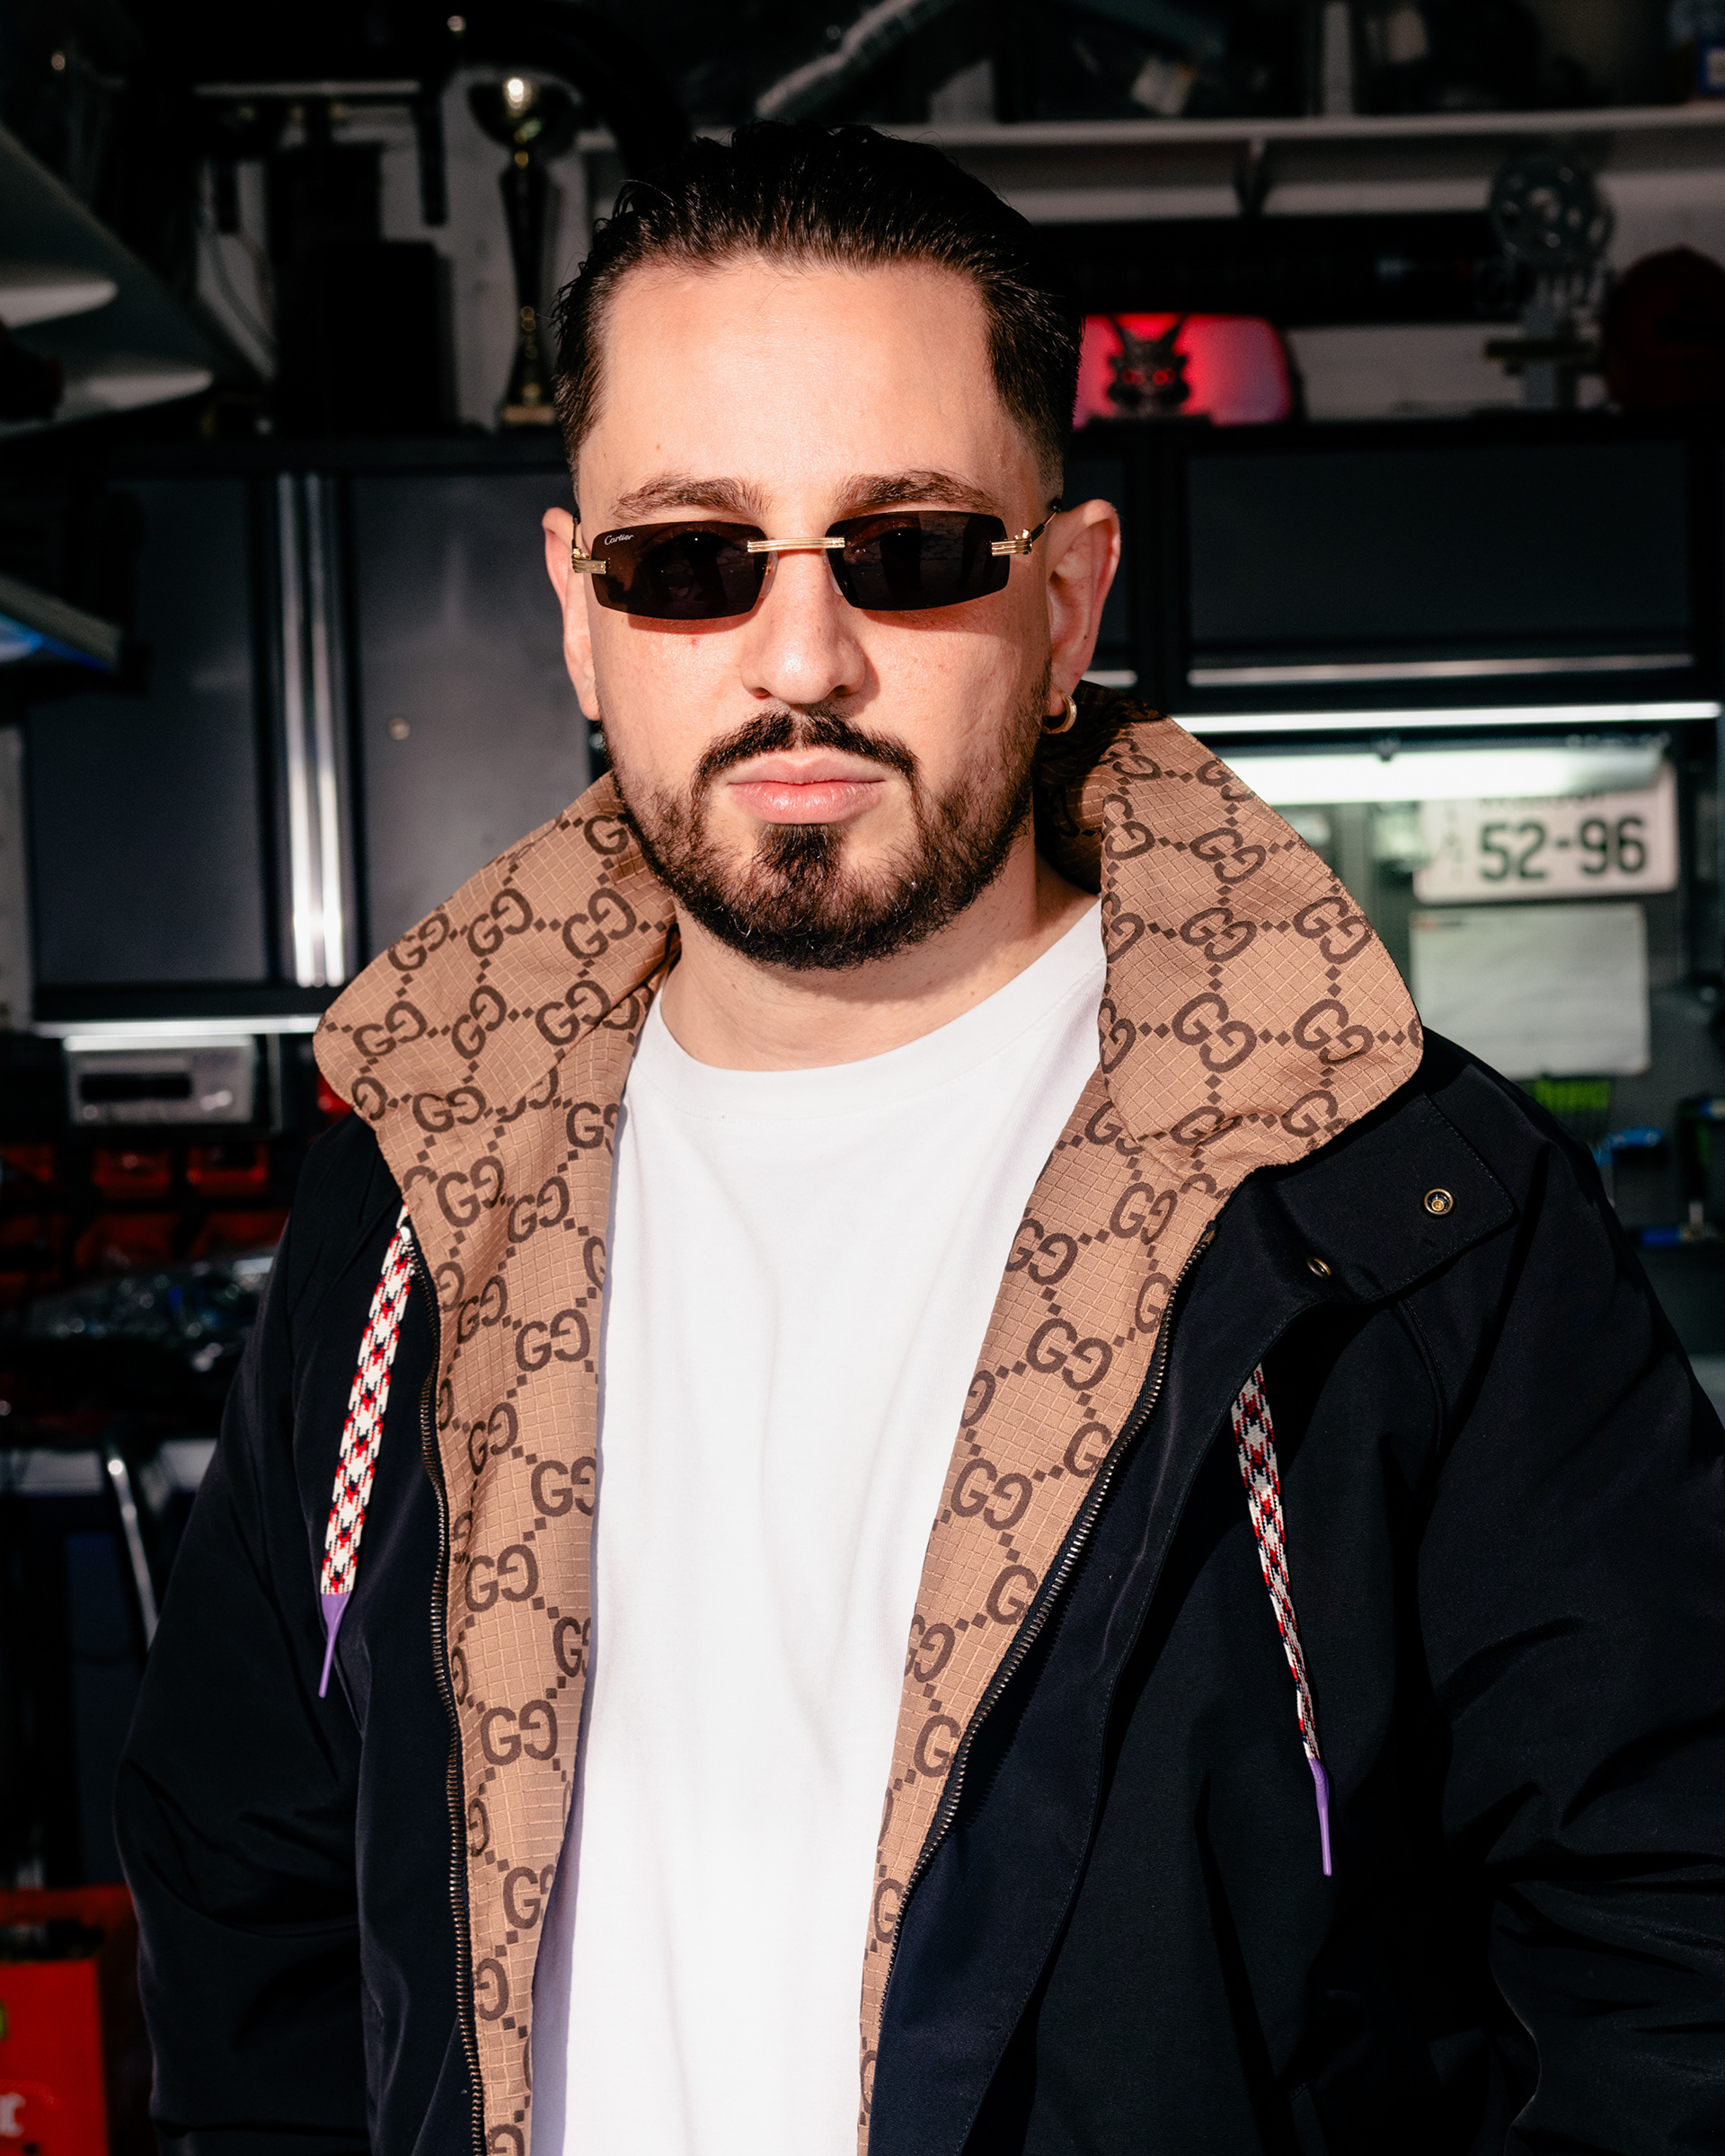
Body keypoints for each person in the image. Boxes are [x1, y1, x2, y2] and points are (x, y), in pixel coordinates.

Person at [117, 121, 1725, 2156]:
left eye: (912, 550)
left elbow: (1671, 1958)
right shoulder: (415, 1198)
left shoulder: (1396, 1208)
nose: (802, 661)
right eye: (690, 563)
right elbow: (249, 1906)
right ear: (580, 615)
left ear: (1064, 602)